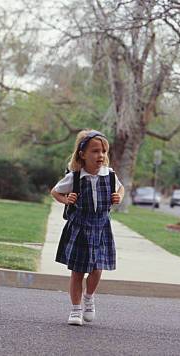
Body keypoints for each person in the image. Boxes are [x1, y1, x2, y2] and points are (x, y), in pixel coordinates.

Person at [51, 129, 124, 326]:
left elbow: (121, 188)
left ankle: (89, 297)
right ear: (82, 154)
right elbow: (55, 192)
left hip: (101, 227)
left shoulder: (109, 175)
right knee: (77, 271)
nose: (100, 155)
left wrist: (119, 197)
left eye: (103, 151)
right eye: (95, 151)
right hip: (80, 228)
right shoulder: (75, 177)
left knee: (97, 268)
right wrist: (66, 199)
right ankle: (75, 310)